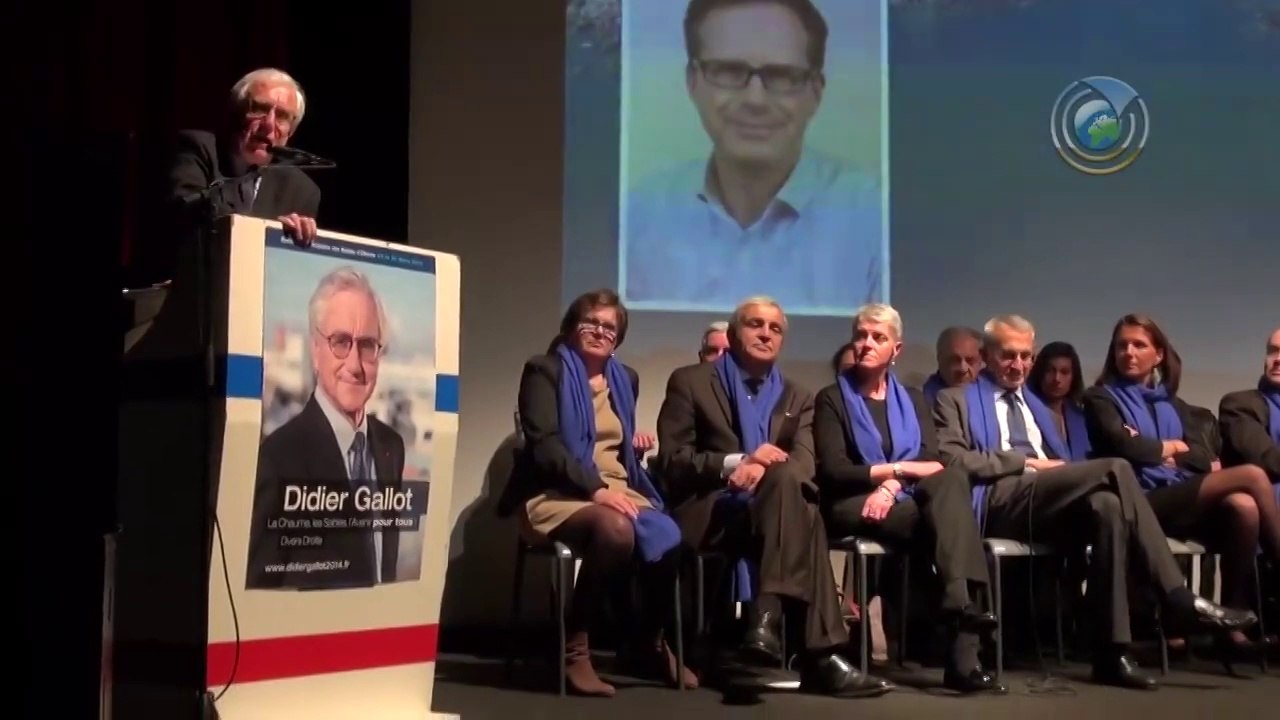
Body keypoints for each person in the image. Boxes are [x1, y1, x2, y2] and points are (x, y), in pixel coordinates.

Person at [935, 314, 1257, 689]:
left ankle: (1110, 654)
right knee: (1116, 468)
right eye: (1008, 355)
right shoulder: (954, 399)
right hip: (998, 498)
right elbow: (953, 459)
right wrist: (1027, 463)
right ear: (986, 355)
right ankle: (1176, 596)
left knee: (1108, 507)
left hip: (1047, 501)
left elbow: (1071, 461)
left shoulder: (1038, 407)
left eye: (1025, 356)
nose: (1018, 365)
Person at [655, 295, 893, 697]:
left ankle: (766, 621)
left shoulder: (798, 397)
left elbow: (804, 464)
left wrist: (763, 469)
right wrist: (737, 462)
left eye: (776, 329)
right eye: (756, 325)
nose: (766, 334)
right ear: (734, 335)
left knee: (788, 486)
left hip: (772, 512)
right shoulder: (691, 382)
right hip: (711, 510)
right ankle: (818, 656)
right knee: (804, 515)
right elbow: (672, 461)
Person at [624, 0, 883, 313]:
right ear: (692, 81)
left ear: (815, 92)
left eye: (782, 75)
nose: (755, 100)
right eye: (729, 71)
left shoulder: (875, 221)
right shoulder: (639, 217)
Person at [497, 289, 692, 697]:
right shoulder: (544, 371)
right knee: (616, 530)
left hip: (615, 489)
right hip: (555, 492)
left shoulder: (626, 380)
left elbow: (613, 445)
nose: (600, 331)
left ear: (618, 338)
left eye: (609, 327)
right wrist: (596, 490)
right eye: (591, 322)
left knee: (671, 536)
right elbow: (545, 446)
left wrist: (631, 453)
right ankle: (574, 646)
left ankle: (647, 642)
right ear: (571, 327)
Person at [814, 304, 1001, 693]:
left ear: (895, 350)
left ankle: (956, 605)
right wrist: (898, 471)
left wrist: (891, 484)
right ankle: (963, 646)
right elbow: (835, 471)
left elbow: (932, 461)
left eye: (878, 337)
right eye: (861, 336)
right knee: (951, 525)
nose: (867, 343)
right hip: (851, 503)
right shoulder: (832, 398)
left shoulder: (913, 399)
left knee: (951, 484)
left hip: (900, 498)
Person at [1084, 314, 1280, 658]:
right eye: (1122, 345)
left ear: (1158, 355)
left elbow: (1203, 456)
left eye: (1139, 345)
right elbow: (1125, 446)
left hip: (1179, 497)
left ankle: (1233, 627)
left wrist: (1163, 451)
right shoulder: (1100, 398)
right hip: (1138, 500)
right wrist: (1170, 447)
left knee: (1244, 506)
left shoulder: (1174, 405)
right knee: (1251, 475)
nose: (1129, 352)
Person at [247, 267, 406, 589]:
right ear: (315, 350)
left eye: (367, 345)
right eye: (340, 342)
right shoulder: (277, 458)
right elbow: (260, 588)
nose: (355, 364)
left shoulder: (392, 446)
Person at [139, 67, 320, 286]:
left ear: (291, 131)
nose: (269, 125)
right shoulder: (198, 149)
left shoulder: (301, 189)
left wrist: (291, 240)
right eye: (259, 109)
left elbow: (291, 274)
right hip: (185, 292)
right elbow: (182, 216)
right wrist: (263, 231)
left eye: (282, 116)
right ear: (236, 113)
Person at [1219, 328, 1280, 494]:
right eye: (1273, 351)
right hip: (1263, 499)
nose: (1278, 359)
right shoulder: (1239, 404)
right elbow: (1266, 461)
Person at [1026, 341, 1091, 461]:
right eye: (1050, 371)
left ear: (1073, 377)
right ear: (1040, 373)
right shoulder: (1026, 410)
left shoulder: (1080, 416)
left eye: (1064, 372)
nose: (1057, 379)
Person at [922, 327, 984, 407]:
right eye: (954, 360)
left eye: (970, 361)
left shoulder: (991, 392)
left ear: (981, 361)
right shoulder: (922, 403)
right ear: (940, 359)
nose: (963, 369)